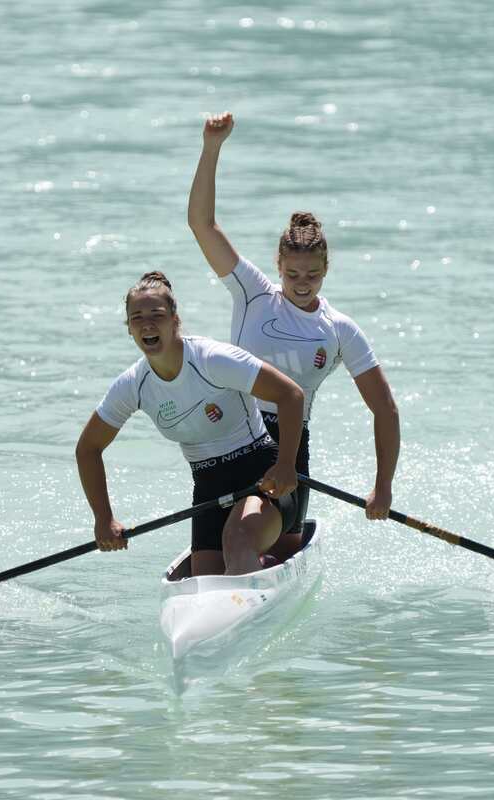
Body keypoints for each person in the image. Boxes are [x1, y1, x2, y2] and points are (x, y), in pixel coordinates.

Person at [187, 111, 400, 557]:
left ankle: (261, 556)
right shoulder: (253, 294)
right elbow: (202, 225)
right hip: (227, 443)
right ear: (278, 266)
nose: (303, 283)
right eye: (293, 273)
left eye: (313, 274)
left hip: (285, 452)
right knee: (214, 561)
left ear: (326, 269)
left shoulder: (339, 329)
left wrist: (382, 487)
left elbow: (384, 408)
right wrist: (211, 148)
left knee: (240, 542)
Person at [75, 271, 306, 577]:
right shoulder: (132, 385)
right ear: (129, 329)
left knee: (237, 542)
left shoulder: (212, 359)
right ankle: (261, 566)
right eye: (137, 318)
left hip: (263, 479)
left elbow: (291, 395)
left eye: (157, 315)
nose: (147, 324)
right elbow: (88, 449)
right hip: (209, 492)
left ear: (175, 320)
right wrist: (104, 519)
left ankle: (255, 562)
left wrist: (286, 465)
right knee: (205, 579)